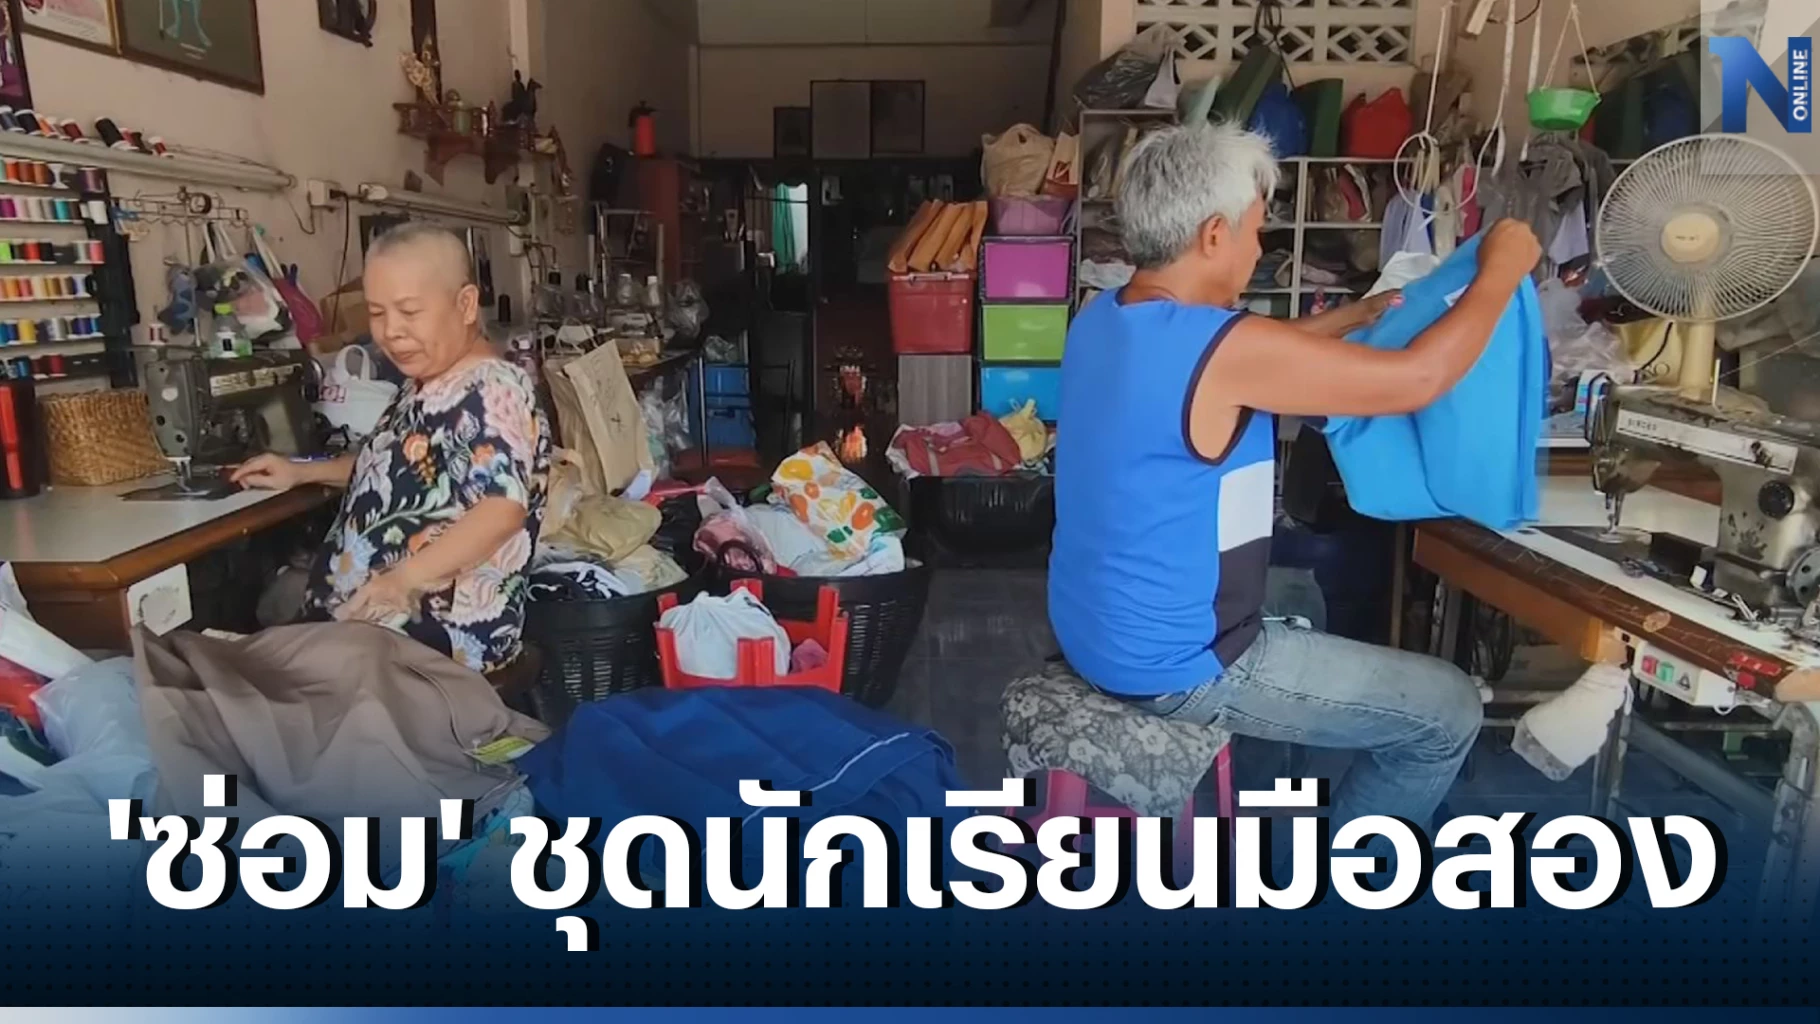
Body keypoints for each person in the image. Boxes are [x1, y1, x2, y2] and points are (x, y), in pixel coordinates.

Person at [1049, 122, 1542, 832]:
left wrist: (1355, 316)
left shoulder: (1103, 318)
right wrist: (1500, 271)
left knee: (1298, 606)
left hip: (1095, 630)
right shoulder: (1219, 347)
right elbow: (1418, 379)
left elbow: (1250, 355)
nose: (1259, 248)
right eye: (1256, 230)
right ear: (1213, 235)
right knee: (1448, 710)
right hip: (1178, 663)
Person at [234, 223, 553, 676]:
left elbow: (501, 509)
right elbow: (395, 466)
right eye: (378, 313)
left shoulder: (488, 389)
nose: (391, 332)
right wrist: (301, 471)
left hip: (431, 643)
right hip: (368, 627)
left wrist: (403, 581)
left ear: (465, 305)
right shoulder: (428, 382)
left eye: (409, 311)